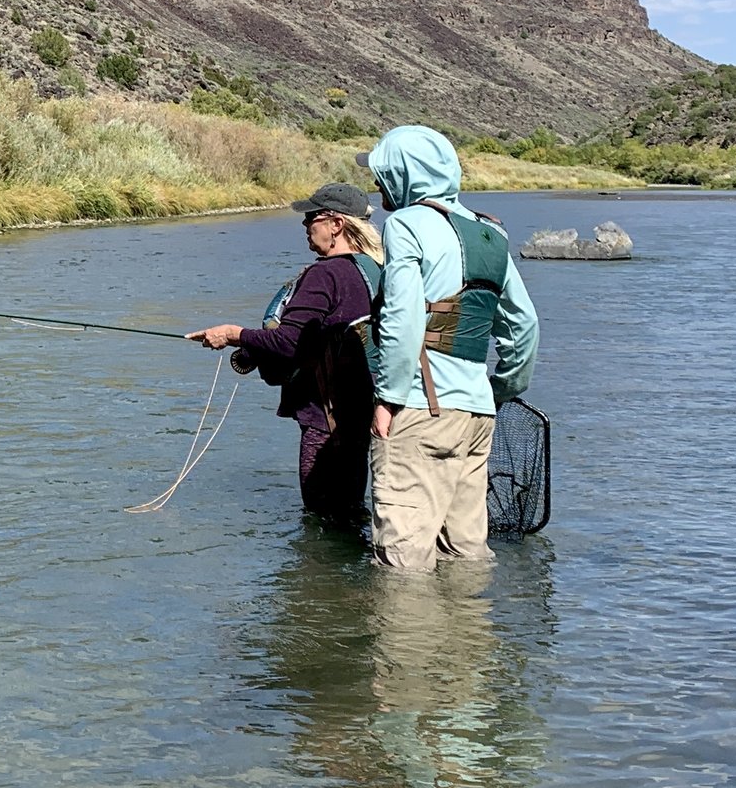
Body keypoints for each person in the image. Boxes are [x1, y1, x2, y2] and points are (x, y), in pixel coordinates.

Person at [358, 127, 540, 572]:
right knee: (467, 553)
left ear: (404, 174)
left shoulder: (404, 225)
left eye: (383, 173)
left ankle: (408, 643)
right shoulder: (491, 234)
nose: (378, 184)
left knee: (404, 563)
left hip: (421, 411)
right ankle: (470, 640)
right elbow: (524, 327)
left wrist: (388, 400)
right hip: (477, 416)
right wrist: (498, 391)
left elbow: (402, 323)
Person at [186, 182, 383, 529]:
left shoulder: (324, 275)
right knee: (351, 515)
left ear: (336, 224)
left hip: (325, 419)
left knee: (320, 518)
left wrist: (233, 335)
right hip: (363, 411)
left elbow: (289, 342)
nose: (305, 226)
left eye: (311, 218)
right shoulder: (373, 270)